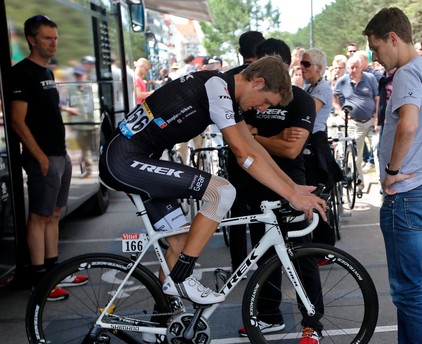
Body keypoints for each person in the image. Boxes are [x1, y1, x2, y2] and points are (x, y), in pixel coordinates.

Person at [99, 55, 326, 305]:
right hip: (123, 160)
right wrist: (291, 196)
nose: (262, 110)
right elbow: (243, 155)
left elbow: (255, 148)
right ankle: (182, 277)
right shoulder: (217, 88)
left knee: (180, 242)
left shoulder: (227, 91)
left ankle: (161, 320)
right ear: (258, 82)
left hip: (136, 159)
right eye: (266, 102)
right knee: (221, 192)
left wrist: (293, 187)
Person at [363, 6, 422, 343]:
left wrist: (393, 171)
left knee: (407, 291)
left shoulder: (405, 73)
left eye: (375, 47)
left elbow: (409, 125)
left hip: (407, 192)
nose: (375, 56)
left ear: (392, 38)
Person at [225, 39, 323, 342]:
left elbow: (292, 149)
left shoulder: (301, 101)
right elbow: (236, 141)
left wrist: (254, 135)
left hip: (287, 185)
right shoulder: (245, 94)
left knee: (301, 254)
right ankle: (269, 316)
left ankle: (312, 323)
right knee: (263, 253)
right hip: (249, 186)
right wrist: (262, 137)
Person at [10, 14, 87, 301]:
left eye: (55, 38)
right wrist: (40, 156)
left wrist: (62, 154)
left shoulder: (48, 72)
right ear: (32, 39)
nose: (53, 43)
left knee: (54, 215)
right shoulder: (22, 73)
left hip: (59, 154)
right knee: (39, 217)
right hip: (42, 157)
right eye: (47, 38)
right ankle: (40, 281)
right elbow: (17, 122)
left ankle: (55, 272)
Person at [301, 47, 344, 246]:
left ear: (318, 67)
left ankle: (325, 246)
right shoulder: (308, 87)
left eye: (306, 63)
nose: (302, 67)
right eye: (301, 63)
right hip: (309, 143)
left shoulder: (322, 89)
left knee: (318, 197)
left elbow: (307, 113)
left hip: (316, 144)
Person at [332, 55, 379, 192]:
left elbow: (377, 99)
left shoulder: (369, 78)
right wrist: (339, 111)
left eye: (356, 67)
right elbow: (334, 96)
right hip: (354, 123)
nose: (354, 70)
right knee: (356, 156)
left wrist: (377, 117)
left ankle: (382, 184)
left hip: (371, 121)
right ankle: (359, 184)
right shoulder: (342, 81)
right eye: (351, 67)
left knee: (377, 151)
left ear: (361, 67)